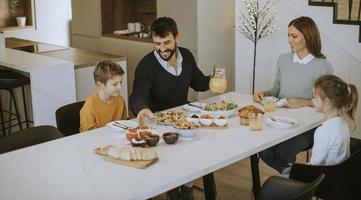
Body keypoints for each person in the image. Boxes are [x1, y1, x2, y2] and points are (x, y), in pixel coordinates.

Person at [129, 16, 210, 200]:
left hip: (182, 118)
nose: (162, 49)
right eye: (157, 43)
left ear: (177, 38)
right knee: (174, 161)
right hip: (159, 123)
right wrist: (142, 109)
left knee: (199, 148)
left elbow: (197, 82)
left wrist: (214, 80)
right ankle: (173, 192)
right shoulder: (146, 65)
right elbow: (138, 94)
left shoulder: (187, 56)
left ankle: (187, 187)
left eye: (167, 42)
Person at [253, 16, 334, 174]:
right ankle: (295, 180)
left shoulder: (324, 66)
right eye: (288, 35)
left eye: (294, 36)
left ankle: (294, 184)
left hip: (309, 126)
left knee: (284, 152)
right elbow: (276, 90)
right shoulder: (283, 59)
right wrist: (264, 94)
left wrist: (303, 102)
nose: (289, 40)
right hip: (280, 120)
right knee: (265, 151)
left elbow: (327, 102)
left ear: (308, 37)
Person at [310, 75, 358, 165]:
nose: (312, 100)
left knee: (286, 172)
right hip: (340, 173)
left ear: (326, 101)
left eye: (314, 97)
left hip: (324, 176)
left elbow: (315, 163)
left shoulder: (323, 131)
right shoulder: (342, 123)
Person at [80, 60, 127, 132]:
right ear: (100, 85)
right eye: (115, 84)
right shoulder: (89, 107)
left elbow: (124, 126)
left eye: (120, 82)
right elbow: (89, 136)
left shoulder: (120, 100)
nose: (120, 87)